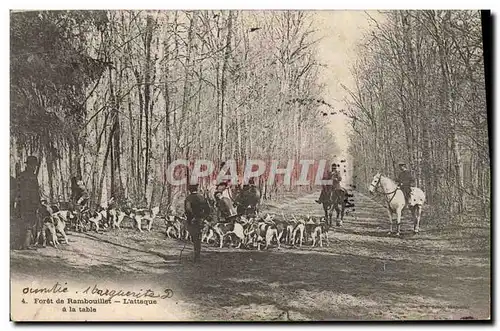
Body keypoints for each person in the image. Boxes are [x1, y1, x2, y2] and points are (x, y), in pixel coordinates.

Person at [16, 156, 41, 250]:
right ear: (30, 165)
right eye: (34, 165)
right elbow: (35, 192)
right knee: (29, 224)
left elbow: (18, 191)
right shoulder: (32, 177)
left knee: (23, 223)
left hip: (22, 203)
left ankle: (21, 244)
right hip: (30, 204)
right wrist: (37, 203)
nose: (34, 167)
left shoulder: (21, 175)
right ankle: (26, 245)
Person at [184, 183, 211, 263]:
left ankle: (196, 257)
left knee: (194, 238)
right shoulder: (202, 198)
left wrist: (192, 217)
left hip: (192, 220)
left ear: (190, 190)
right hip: (200, 220)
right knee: (198, 238)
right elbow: (208, 210)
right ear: (197, 189)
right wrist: (203, 217)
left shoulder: (188, 198)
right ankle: (197, 256)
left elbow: (188, 209)